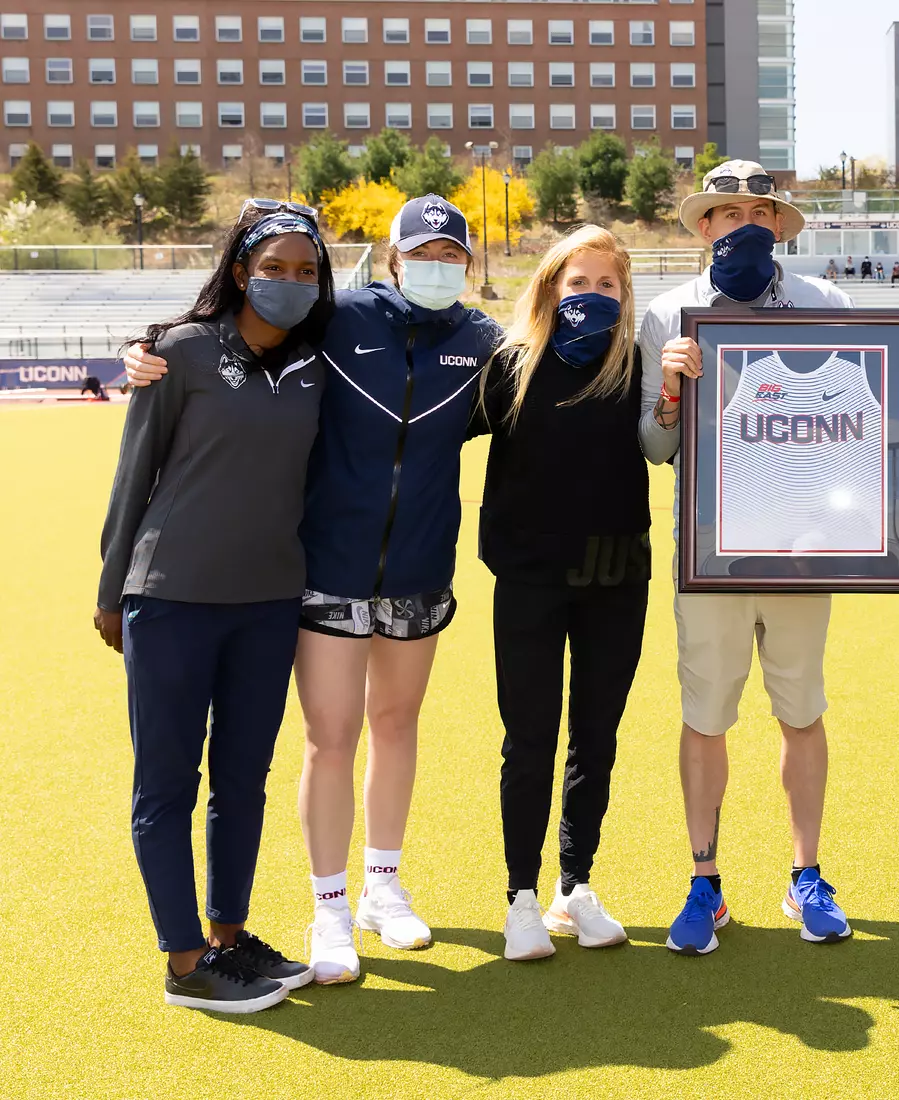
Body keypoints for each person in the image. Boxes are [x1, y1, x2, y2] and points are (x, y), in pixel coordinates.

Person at [120, 195, 504, 984]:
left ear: (467, 266)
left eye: (451, 256)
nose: (435, 267)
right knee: (330, 738)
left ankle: (382, 890)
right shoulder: (337, 319)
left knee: (396, 725)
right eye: (420, 253)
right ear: (391, 257)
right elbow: (231, 333)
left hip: (421, 571)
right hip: (324, 568)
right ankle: (328, 908)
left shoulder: (485, 341)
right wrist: (149, 345)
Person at [96, 205, 332, 1012]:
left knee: (243, 780)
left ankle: (230, 937)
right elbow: (136, 474)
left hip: (268, 603)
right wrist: (111, 589)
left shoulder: (316, 364)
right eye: (275, 268)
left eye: (308, 272)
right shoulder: (180, 353)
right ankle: (186, 962)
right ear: (239, 271)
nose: (291, 284)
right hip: (170, 599)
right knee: (165, 784)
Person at [637, 159, 854, 956]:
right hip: (711, 552)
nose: (745, 222)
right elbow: (654, 446)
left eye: (760, 208)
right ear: (703, 227)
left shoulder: (825, 303)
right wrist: (668, 394)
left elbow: (861, 424)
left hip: (801, 549)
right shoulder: (668, 314)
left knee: (801, 710)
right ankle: (705, 882)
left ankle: (807, 876)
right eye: (728, 212)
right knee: (706, 716)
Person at [474, 226, 651, 961]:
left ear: (625, 294)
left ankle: (574, 887)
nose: (592, 296)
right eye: (578, 283)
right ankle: (520, 896)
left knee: (596, 741)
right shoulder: (509, 364)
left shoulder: (636, 364)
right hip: (529, 581)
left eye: (606, 285)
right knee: (530, 741)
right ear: (551, 287)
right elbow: (420, 430)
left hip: (617, 579)